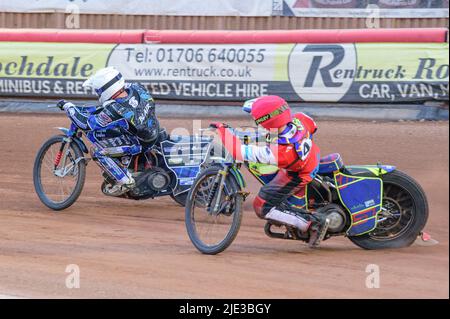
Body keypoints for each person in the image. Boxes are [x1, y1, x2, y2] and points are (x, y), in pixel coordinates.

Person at [211, 95, 328, 247]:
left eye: (257, 119)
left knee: (262, 205)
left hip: (298, 174)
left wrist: (222, 130)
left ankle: (312, 223)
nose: (256, 122)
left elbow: (238, 152)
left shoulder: (280, 152)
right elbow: (313, 125)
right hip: (312, 156)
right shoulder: (299, 120)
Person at [57, 66, 160, 194]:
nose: (97, 94)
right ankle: (125, 164)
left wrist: (68, 107)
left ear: (106, 90)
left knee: (97, 151)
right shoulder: (136, 87)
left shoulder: (115, 109)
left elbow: (86, 124)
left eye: (98, 91)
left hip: (139, 142)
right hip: (153, 128)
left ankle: (125, 181)